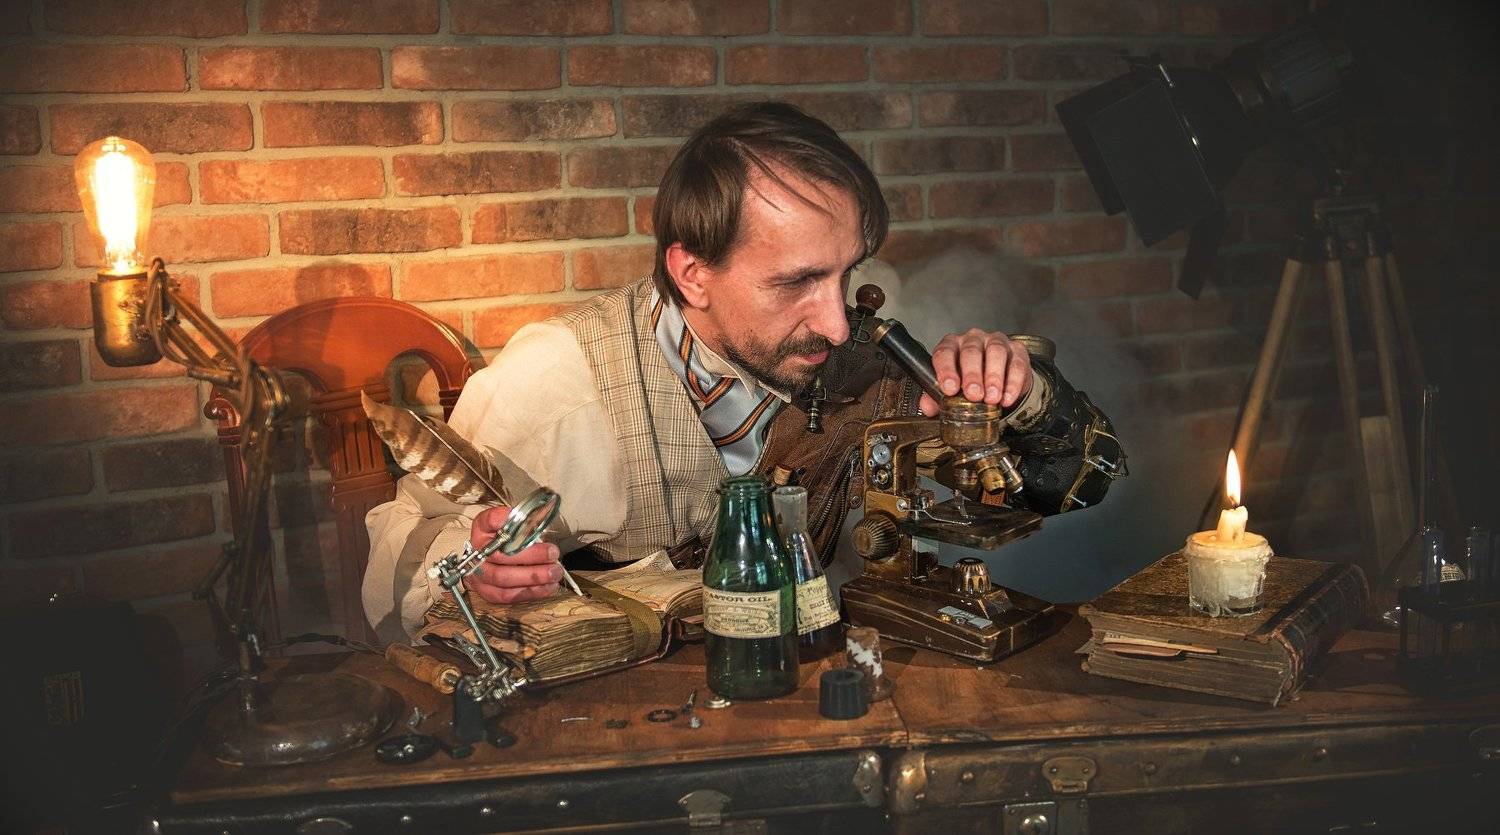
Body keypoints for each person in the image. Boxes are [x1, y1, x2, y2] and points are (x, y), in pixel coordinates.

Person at [363, 102, 1122, 643]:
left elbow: (1081, 480)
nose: (836, 322)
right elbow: (399, 564)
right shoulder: (556, 384)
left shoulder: (861, 358)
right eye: (796, 282)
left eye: (846, 273)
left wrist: (1019, 392)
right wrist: (472, 572)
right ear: (693, 274)